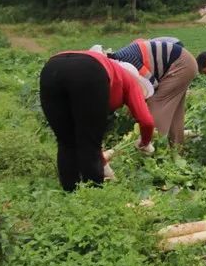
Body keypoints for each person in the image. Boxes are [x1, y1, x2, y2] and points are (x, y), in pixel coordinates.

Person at [39, 49, 155, 191]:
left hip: (51, 69)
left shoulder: (111, 69)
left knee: (66, 142)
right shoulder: (131, 81)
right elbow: (146, 121)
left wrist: (104, 164)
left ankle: (69, 193)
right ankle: (94, 195)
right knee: (89, 144)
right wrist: (145, 143)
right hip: (89, 71)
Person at [107, 37, 196, 144]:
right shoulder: (119, 62)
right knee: (175, 112)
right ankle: (177, 148)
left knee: (156, 103)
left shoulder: (127, 61)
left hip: (180, 65)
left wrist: (137, 105)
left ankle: (153, 146)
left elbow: (152, 84)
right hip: (182, 63)